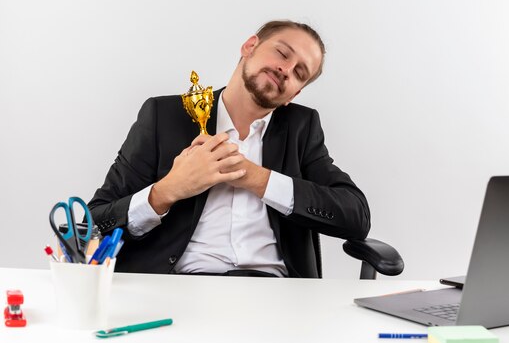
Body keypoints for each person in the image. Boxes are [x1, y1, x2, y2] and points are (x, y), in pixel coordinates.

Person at [88, 20, 370, 277]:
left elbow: (356, 216)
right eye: (282, 53)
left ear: (294, 94)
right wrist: (168, 191)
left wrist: (256, 178)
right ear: (250, 46)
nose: (286, 70)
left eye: (299, 72)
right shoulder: (164, 116)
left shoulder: (302, 128)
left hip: (278, 293)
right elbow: (95, 221)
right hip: (180, 286)